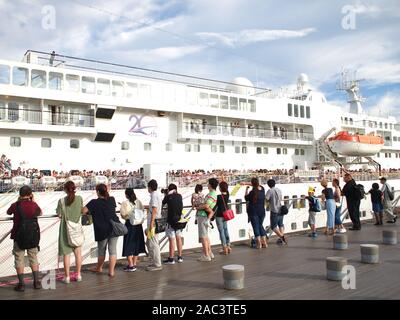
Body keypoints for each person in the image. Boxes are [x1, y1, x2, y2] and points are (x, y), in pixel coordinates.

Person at [7, 185, 42, 292]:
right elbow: (39, 213)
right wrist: (33, 201)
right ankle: (36, 282)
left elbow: (8, 212)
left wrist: (18, 202)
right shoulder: (34, 205)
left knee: (19, 259)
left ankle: (21, 284)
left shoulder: (15, 205)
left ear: (20, 195)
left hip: (19, 237)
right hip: (32, 237)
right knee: (33, 258)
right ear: (30, 194)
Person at [82, 184, 119, 277]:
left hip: (101, 229)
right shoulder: (112, 199)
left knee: (102, 250)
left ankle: (99, 268)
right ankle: (111, 272)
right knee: (113, 250)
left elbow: (83, 211)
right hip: (114, 227)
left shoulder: (94, 202)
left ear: (98, 192)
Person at [56, 181, 83, 283]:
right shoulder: (79, 198)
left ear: (65, 189)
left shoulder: (61, 201)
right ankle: (78, 275)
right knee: (78, 254)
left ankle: (67, 277)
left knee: (66, 255)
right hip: (76, 230)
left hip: (65, 230)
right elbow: (81, 210)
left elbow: (59, 214)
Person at [120, 188, 146, 272]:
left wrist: (128, 214)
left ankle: (130, 265)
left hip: (129, 224)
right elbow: (142, 211)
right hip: (138, 225)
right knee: (136, 244)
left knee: (128, 244)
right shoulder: (138, 201)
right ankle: (134, 263)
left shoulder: (125, 203)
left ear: (126, 195)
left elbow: (123, 215)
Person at [196, 178, 218, 262]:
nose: (207, 184)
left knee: (203, 237)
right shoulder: (211, 194)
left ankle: (206, 255)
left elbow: (206, 206)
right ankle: (209, 252)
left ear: (211, 185)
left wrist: (198, 207)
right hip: (205, 215)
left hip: (203, 215)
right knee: (206, 236)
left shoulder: (212, 194)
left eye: (208, 183)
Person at [162, 184, 184, 264]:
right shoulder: (180, 196)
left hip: (171, 220)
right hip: (179, 220)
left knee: (172, 239)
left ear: (169, 190)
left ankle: (171, 258)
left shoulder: (168, 196)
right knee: (178, 238)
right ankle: (180, 257)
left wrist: (166, 195)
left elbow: (162, 203)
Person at [145, 179, 163, 271]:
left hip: (153, 223)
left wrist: (151, 224)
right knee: (149, 242)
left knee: (153, 243)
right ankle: (153, 261)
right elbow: (153, 208)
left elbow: (155, 210)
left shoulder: (154, 196)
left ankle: (157, 264)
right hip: (154, 222)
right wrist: (144, 206)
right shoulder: (157, 195)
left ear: (150, 187)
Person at [245, 178, 267, 249]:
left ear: (252, 184)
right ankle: (265, 243)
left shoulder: (252, 192)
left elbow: (246, 198)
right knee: (260, 226)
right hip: (262, 211)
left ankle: (259, 244)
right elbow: (258, 185)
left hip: (253, 211)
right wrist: (251, 184)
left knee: (256, 227)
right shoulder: (263, 189)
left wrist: (246, 189)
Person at [265, 179, 287, 244]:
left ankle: (282, 237)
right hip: (281, 209)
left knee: (273, 226)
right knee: (280, 224)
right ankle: (281, 239)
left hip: (274, 210)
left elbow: (266, 199)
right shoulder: (279, 190)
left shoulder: (270, 191)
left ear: (268, 185)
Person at [215, 181, 231, 255]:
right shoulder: (227, 195)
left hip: (219, 215)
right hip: (226, 215)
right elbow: (226, 190)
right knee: (226, 229)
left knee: (221, 231)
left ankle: (224, 248)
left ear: (220, 188)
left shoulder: (218, 197)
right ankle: (228, 246)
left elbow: (215, 206)